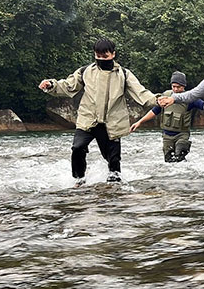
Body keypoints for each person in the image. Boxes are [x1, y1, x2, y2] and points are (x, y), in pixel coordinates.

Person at [38, 38, 158, 187]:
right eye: (98, 56)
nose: (101, 59)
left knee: (113, 163)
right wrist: (51, 85)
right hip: (88, 120)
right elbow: (68, 86)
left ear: (113, 54)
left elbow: (141, 92)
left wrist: (157, 100)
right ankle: (79, 180)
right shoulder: (85, 71)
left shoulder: (124, 74)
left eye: (105, 56)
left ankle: (115, 192)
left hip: (112, 123)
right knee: (77, 148)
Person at [129, 71, 204, 162]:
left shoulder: (190, 98)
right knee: (169, 161)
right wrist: (139, 122)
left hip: (182, 135)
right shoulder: (165, 97)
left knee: (179, 156)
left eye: (179, 87)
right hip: (167, 136)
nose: (176, 89)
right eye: (174, 86)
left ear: (184, 86)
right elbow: (154, 111)